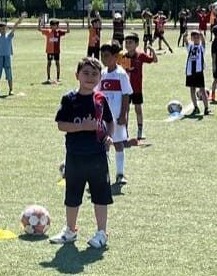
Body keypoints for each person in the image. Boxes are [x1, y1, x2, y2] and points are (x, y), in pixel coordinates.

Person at [49, 57, 114, 249]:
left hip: (97, 156)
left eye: (94, 74)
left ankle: (101, 232)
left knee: (100, 196)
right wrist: (82, 127)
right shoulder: (69, 99)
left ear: (100, 77)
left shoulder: (100, 99)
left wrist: (109, 137)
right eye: (85, 73)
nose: (90, 77)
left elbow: (109, 122)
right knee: (72, 195)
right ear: (77, 75)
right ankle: (70, 230)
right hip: (75, 156)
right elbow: (61, 124)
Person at [99, 44, 132, 188]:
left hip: (117, 116)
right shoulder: (102, 73)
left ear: (115, 57)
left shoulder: (121, 74)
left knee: (118, 143)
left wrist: (123, 115)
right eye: (102, 56)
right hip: (103, 117)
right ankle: (103, 173)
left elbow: (126, 95)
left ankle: (120, 174)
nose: (103, 58)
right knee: (103, 144)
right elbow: (98, 94)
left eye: (106, 55)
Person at [119, 33, 156, 142]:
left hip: (137, 88)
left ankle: (140, 130)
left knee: (138, 109)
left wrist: (152, 50)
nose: (128, 45)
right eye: (126, 42)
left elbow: (154, 60)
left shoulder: (140, 55)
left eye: (130, 42)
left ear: (136, 44)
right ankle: (124, 132)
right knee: (125, 110)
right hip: (125, 89)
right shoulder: (122, 56)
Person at [184, 30, 211, 117]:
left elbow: (204, 42)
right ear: (192, 38)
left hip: (199, 71)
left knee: (202, 90)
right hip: (190, 71)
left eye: (197, 37)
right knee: (192, 90)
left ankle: (206, 108)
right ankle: (195, 107)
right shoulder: (190, 47)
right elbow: (186, 42)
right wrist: (185, 36)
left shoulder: (201, 47)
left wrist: (201, 35)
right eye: (194, 37)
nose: (196, 39)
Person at [39, 19, 69, 85]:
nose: (55, 27)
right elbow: (39, 29)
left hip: (56, 51)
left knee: (57, 63)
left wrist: (67, 24)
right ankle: (48, 78)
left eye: (56, 25)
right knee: (49, 63)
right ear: (51, 26)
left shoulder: (59, 32)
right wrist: (39, 22)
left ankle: (58, 78)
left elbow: (68, 31)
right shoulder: (48, 32)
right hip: (49, 51)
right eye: (54, 25)